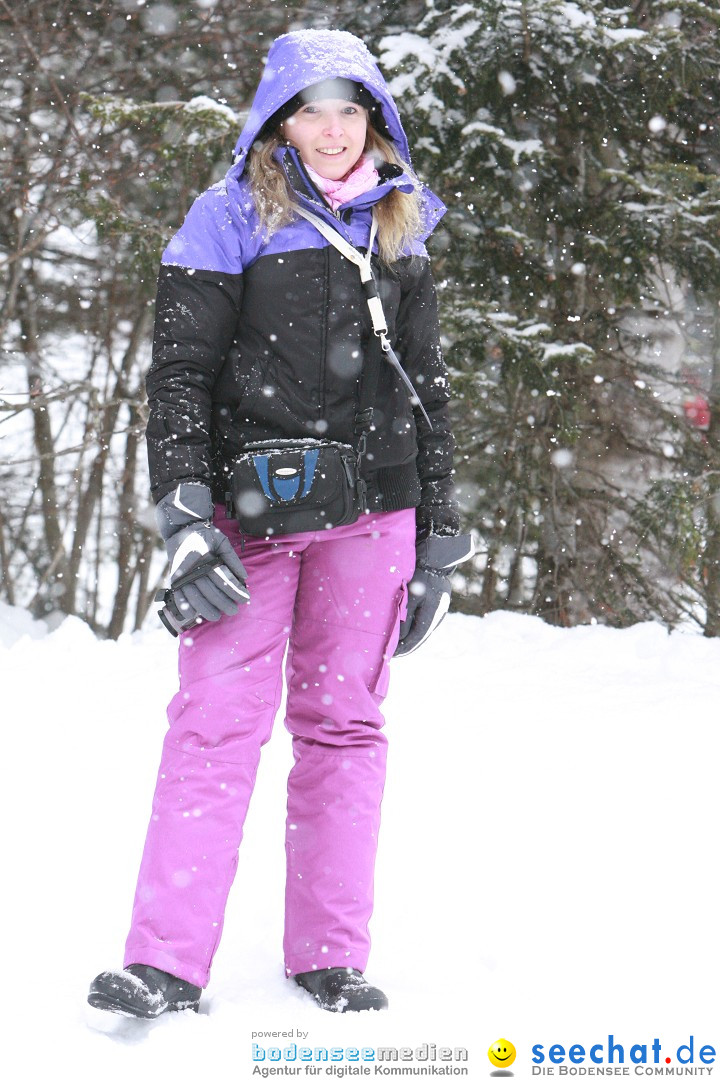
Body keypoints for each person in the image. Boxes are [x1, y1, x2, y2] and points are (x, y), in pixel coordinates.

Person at [88, 28, 471, 1019]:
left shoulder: (400, 222)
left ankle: (329, 955)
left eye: (352, 111)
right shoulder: (226, 218)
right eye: (314, 110)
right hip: (246, 513)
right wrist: (182, 512)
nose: (334, 131)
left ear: (376, 122)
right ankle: (166, 963)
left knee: (346, 727)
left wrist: (441, 535)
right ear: (278, 120)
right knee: (215, 728)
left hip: (374, 517)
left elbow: (425, 385)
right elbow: (177, 379)